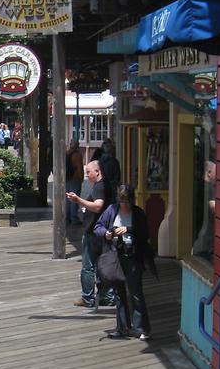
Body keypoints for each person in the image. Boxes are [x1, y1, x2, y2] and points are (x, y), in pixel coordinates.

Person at [94, 184, 154, 340]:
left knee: (136, 293)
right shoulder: (112, 210)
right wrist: (106, 234)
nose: (125, 205)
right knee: (119, 293)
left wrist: (128, 229)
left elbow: (145, 234)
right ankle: (123, 327)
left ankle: (142, 328)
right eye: (122, 201)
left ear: (132, 200)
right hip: (115, 257)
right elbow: (98, 227)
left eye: (127, 201)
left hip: (133, 257)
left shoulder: (138, 213)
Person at [66, 160, 115, 308]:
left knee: (88, 266)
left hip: (94, 231)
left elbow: (98, 206)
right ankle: (106, 296)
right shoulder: (105, 185)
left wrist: (78, 200)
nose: (86, 175)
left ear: (98, 172)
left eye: (89, 172)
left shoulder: (99, 187)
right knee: (102, 265)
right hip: (101, 231)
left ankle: (88, 298)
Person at [65, 139, 85, 225]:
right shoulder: (77, 155)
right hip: (75, 178)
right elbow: (79, 168)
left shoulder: (66, 153)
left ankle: (67, 217)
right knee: (74, 198)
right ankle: (74, 218)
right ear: (77, 145)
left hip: (67, 178)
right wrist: (81, 178)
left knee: (67, 199)